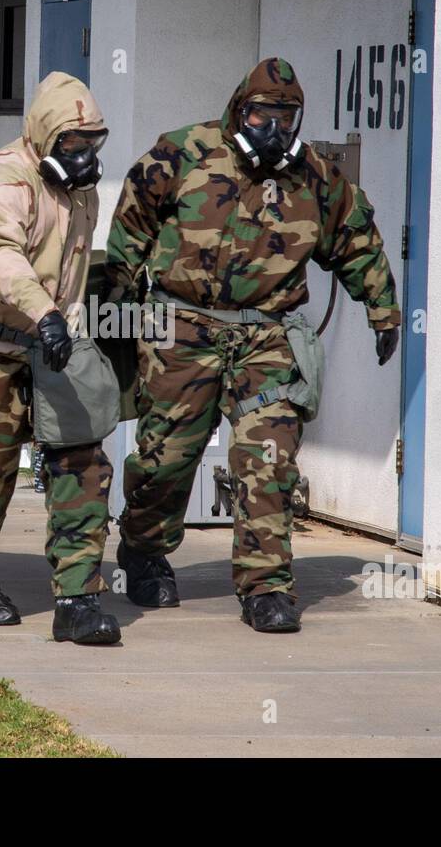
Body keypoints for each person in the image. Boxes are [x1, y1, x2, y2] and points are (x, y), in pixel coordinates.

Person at [105, 57, 401, 633]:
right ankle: (142, 552)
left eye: (285, 118)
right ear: (241, 108)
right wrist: (120, 298)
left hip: (268, 334)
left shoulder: (314, 175)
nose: (273, 128)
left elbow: (354, 238)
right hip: (182, 330)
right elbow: (132, 222)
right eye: (262, 114)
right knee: (164, 458)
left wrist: (382, 308)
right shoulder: (183, 151)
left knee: (268, 459)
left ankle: (267, 587)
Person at [0, 71, 120, 645]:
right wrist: (42, 313)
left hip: (55, 346)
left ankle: (77, 598)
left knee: (83, 467)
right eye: (72, 144)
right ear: (44, 137)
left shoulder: (80, 189)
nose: (84, 156)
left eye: (92, 145)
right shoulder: (2, 176)